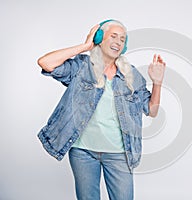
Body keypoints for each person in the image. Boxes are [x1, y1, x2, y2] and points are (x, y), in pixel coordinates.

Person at [37, 19, 166, 200]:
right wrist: (85, 46)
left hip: (119, 153)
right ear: (100, 39)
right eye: (113, 36)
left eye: (122, 39)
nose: (118, 42)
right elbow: (45, 62)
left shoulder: (131, 75)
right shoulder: (82, 67)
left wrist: (158, 83)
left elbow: (152, 110)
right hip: (83, 152)